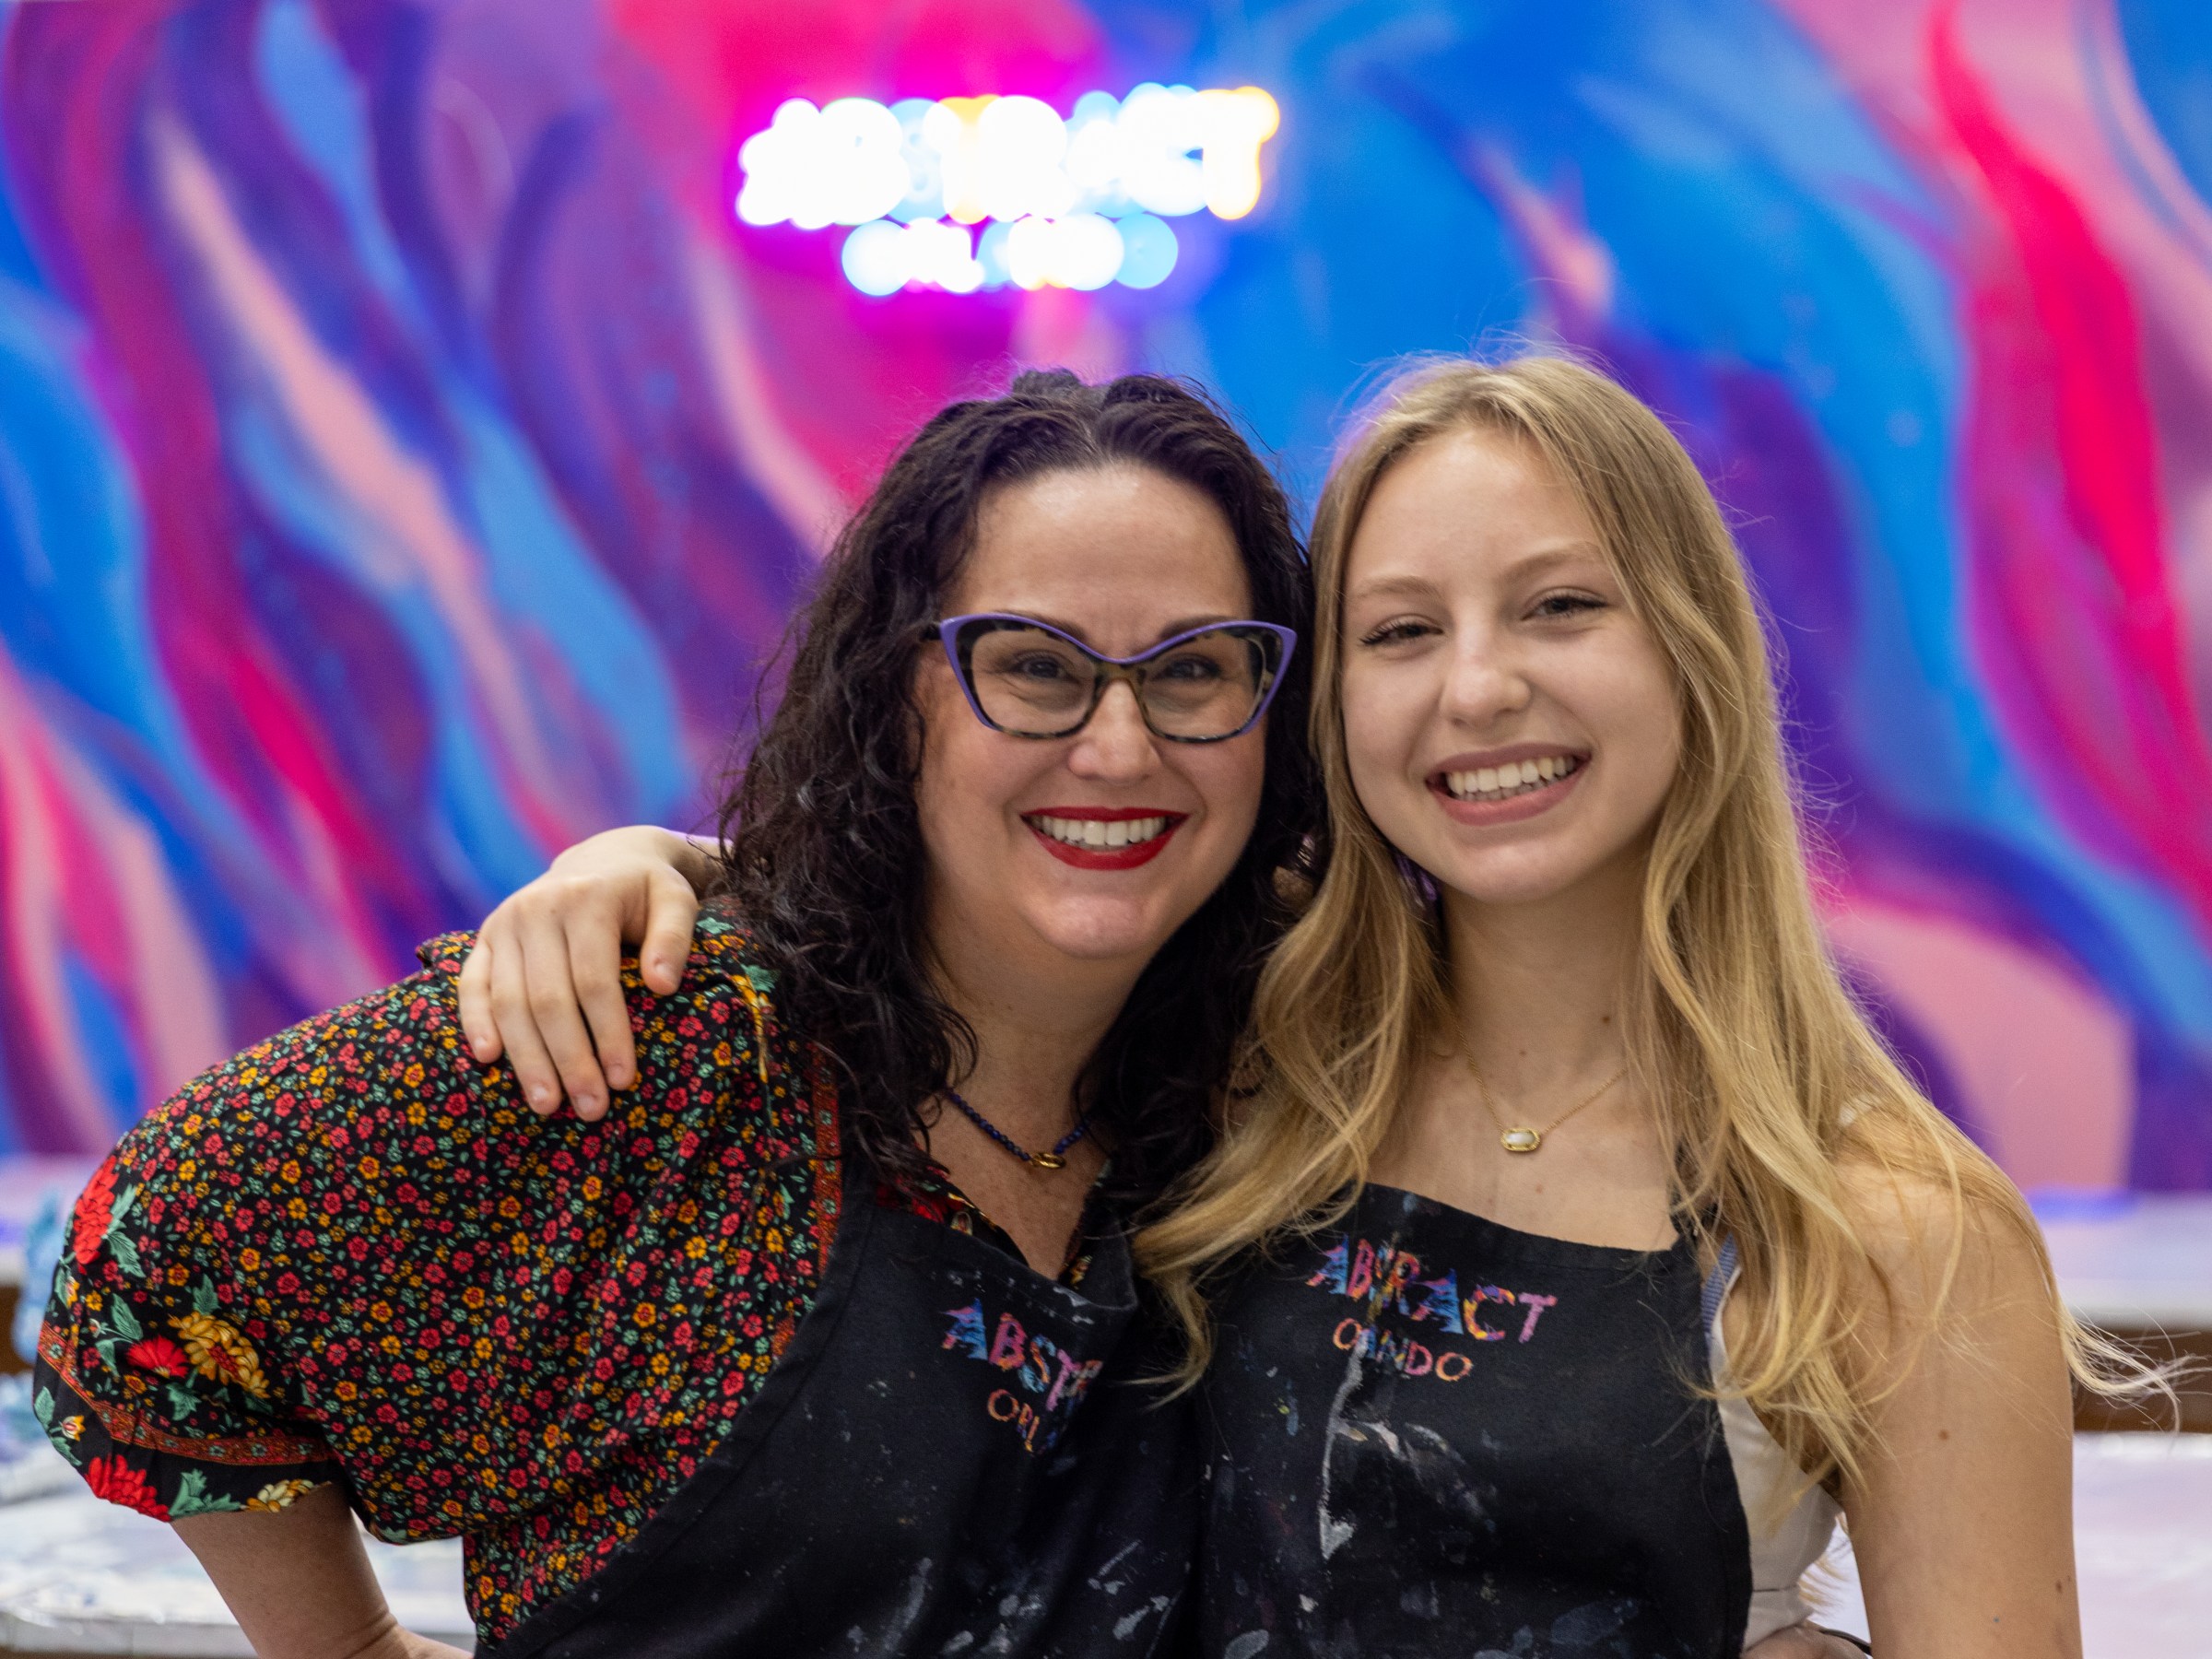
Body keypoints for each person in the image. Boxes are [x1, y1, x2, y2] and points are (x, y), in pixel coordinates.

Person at [463, 359, 2029, 1656]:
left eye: (1561, 607)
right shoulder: (1249, 1056)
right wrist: (650, 865)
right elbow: (956, 887)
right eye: (1402, 630)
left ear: (1695, 655)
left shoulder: (1889, 1228)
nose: (1477, 689)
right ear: (1325, 702)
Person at [35, 370, 1318, 1658]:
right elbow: (153, 1244)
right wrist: (348, 1648)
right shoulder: (655, 1046)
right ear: (900, 692)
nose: (1118, 743)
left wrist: (689, 851)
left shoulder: (1282, 1059)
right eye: (1034, 666)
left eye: (1195, 669)